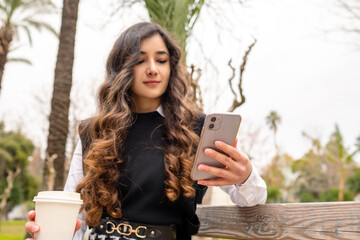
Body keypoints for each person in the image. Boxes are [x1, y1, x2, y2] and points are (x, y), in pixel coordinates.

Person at [25, 22, 267, 240]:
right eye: (140, 60)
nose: (152, 69)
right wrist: (44, 231)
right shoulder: (94, 131)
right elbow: (74, 211)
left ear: (171, 67)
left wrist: (245, 176)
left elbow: (253, 200)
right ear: (122, 68)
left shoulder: (196, 129)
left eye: (161, 60)